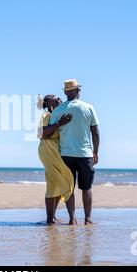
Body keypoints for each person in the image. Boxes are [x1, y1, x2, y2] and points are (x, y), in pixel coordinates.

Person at [44, 79, 100, 225]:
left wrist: (58, 124)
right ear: (77, 91)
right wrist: (96, 151)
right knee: (86, 188)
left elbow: (48, 133)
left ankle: (72, 219)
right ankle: (87, 219)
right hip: (85, 154)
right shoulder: (88, 108)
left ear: (65, 92)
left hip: (66, 155)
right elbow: (95, 131)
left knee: (69, 188)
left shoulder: (58, 110)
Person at [37, 94, 75, 225]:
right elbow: (41, 134)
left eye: (60, 98)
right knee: (57, 180)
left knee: (57, 182)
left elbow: (50, 133)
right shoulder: (46, 116)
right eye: (56, 98)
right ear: (48, 102)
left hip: (56, 149)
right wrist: (59, 124)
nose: (60, 99)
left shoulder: (56, 115)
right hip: (47, 149)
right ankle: (49, 219)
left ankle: (52, 216)